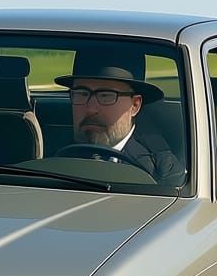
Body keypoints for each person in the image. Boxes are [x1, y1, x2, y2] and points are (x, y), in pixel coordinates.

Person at [54, 46, 184, 183]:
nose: (91, 109)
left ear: (135, 105)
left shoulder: (159, 173)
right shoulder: (46, 157)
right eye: (82, 94)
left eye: (105, 96)